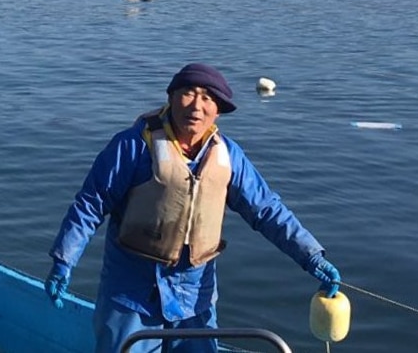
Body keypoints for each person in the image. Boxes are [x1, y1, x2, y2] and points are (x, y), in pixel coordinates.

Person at [45, 63, 341, 353]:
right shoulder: (133, 146)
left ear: (219, 109)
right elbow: (91, 203)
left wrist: (311, 256)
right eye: (188, 93)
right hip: (131, 294)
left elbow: (266, 210)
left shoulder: (228, 156)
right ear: (171, 97)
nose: (196, 106)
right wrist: (64, 260)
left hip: (195, 297)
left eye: (208, 98)